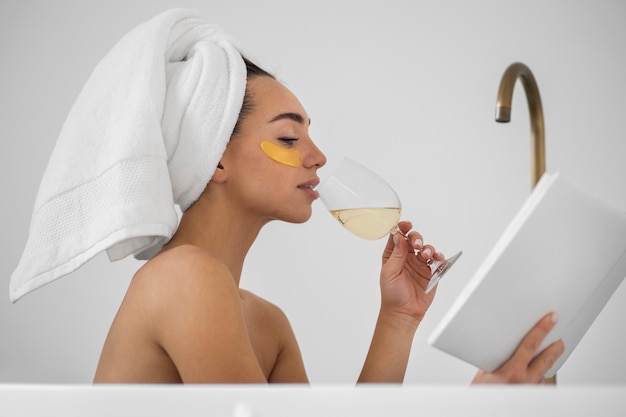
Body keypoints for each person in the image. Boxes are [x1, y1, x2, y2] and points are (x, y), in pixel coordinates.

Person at [92, 57, 565, 384]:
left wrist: (397, 319)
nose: (317, 157)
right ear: (215, 160)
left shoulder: (266, 323)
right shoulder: (183, 278)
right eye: (289, 136)